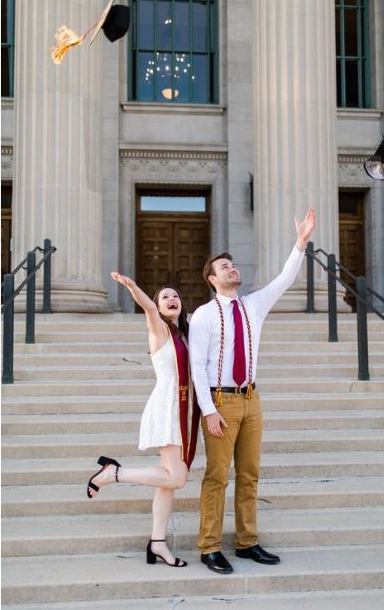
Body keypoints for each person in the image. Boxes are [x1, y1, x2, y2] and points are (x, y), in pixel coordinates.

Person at [188, 208, 317, 574]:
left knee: (249, 474)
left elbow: (283, 280)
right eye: (224, 267)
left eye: (233, 264)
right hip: (220, 401)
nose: (232, 268)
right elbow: (197, 366)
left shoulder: (253, 306)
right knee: (217, 476)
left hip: (250, 400)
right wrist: (208, 410)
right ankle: (210, 546)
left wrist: (301, 241)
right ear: (213, 279)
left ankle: (247, 542)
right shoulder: (203, 315)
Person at [85, 275, 200, 568]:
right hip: (168, 406)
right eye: (165, 297)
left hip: (181, 406)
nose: (172, 300)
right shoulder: (159, 328)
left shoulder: (183, 333)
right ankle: (114, 473)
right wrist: (134, 288)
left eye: (175, 296)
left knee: (167, 480)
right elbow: (148, 309)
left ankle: (158, 543)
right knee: (177, 477)